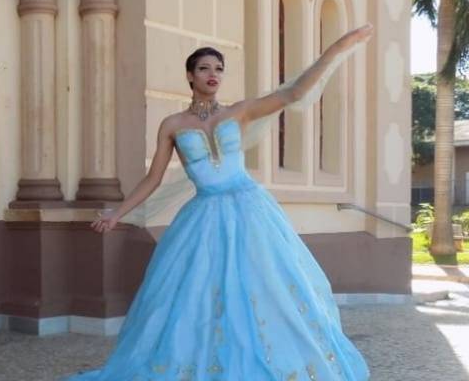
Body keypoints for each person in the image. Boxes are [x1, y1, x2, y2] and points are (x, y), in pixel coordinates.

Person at [64, 24, 374, 381]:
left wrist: (337, 48)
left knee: (265, 287)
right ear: (190, 76)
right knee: (196, 295)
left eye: (219, 69)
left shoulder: (238, 112)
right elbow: (154, 178)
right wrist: (117, 213)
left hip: (250, 210)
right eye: (204, 68)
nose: (213, 75)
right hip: (204, 216)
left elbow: (293, 94)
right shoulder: (172, 125)